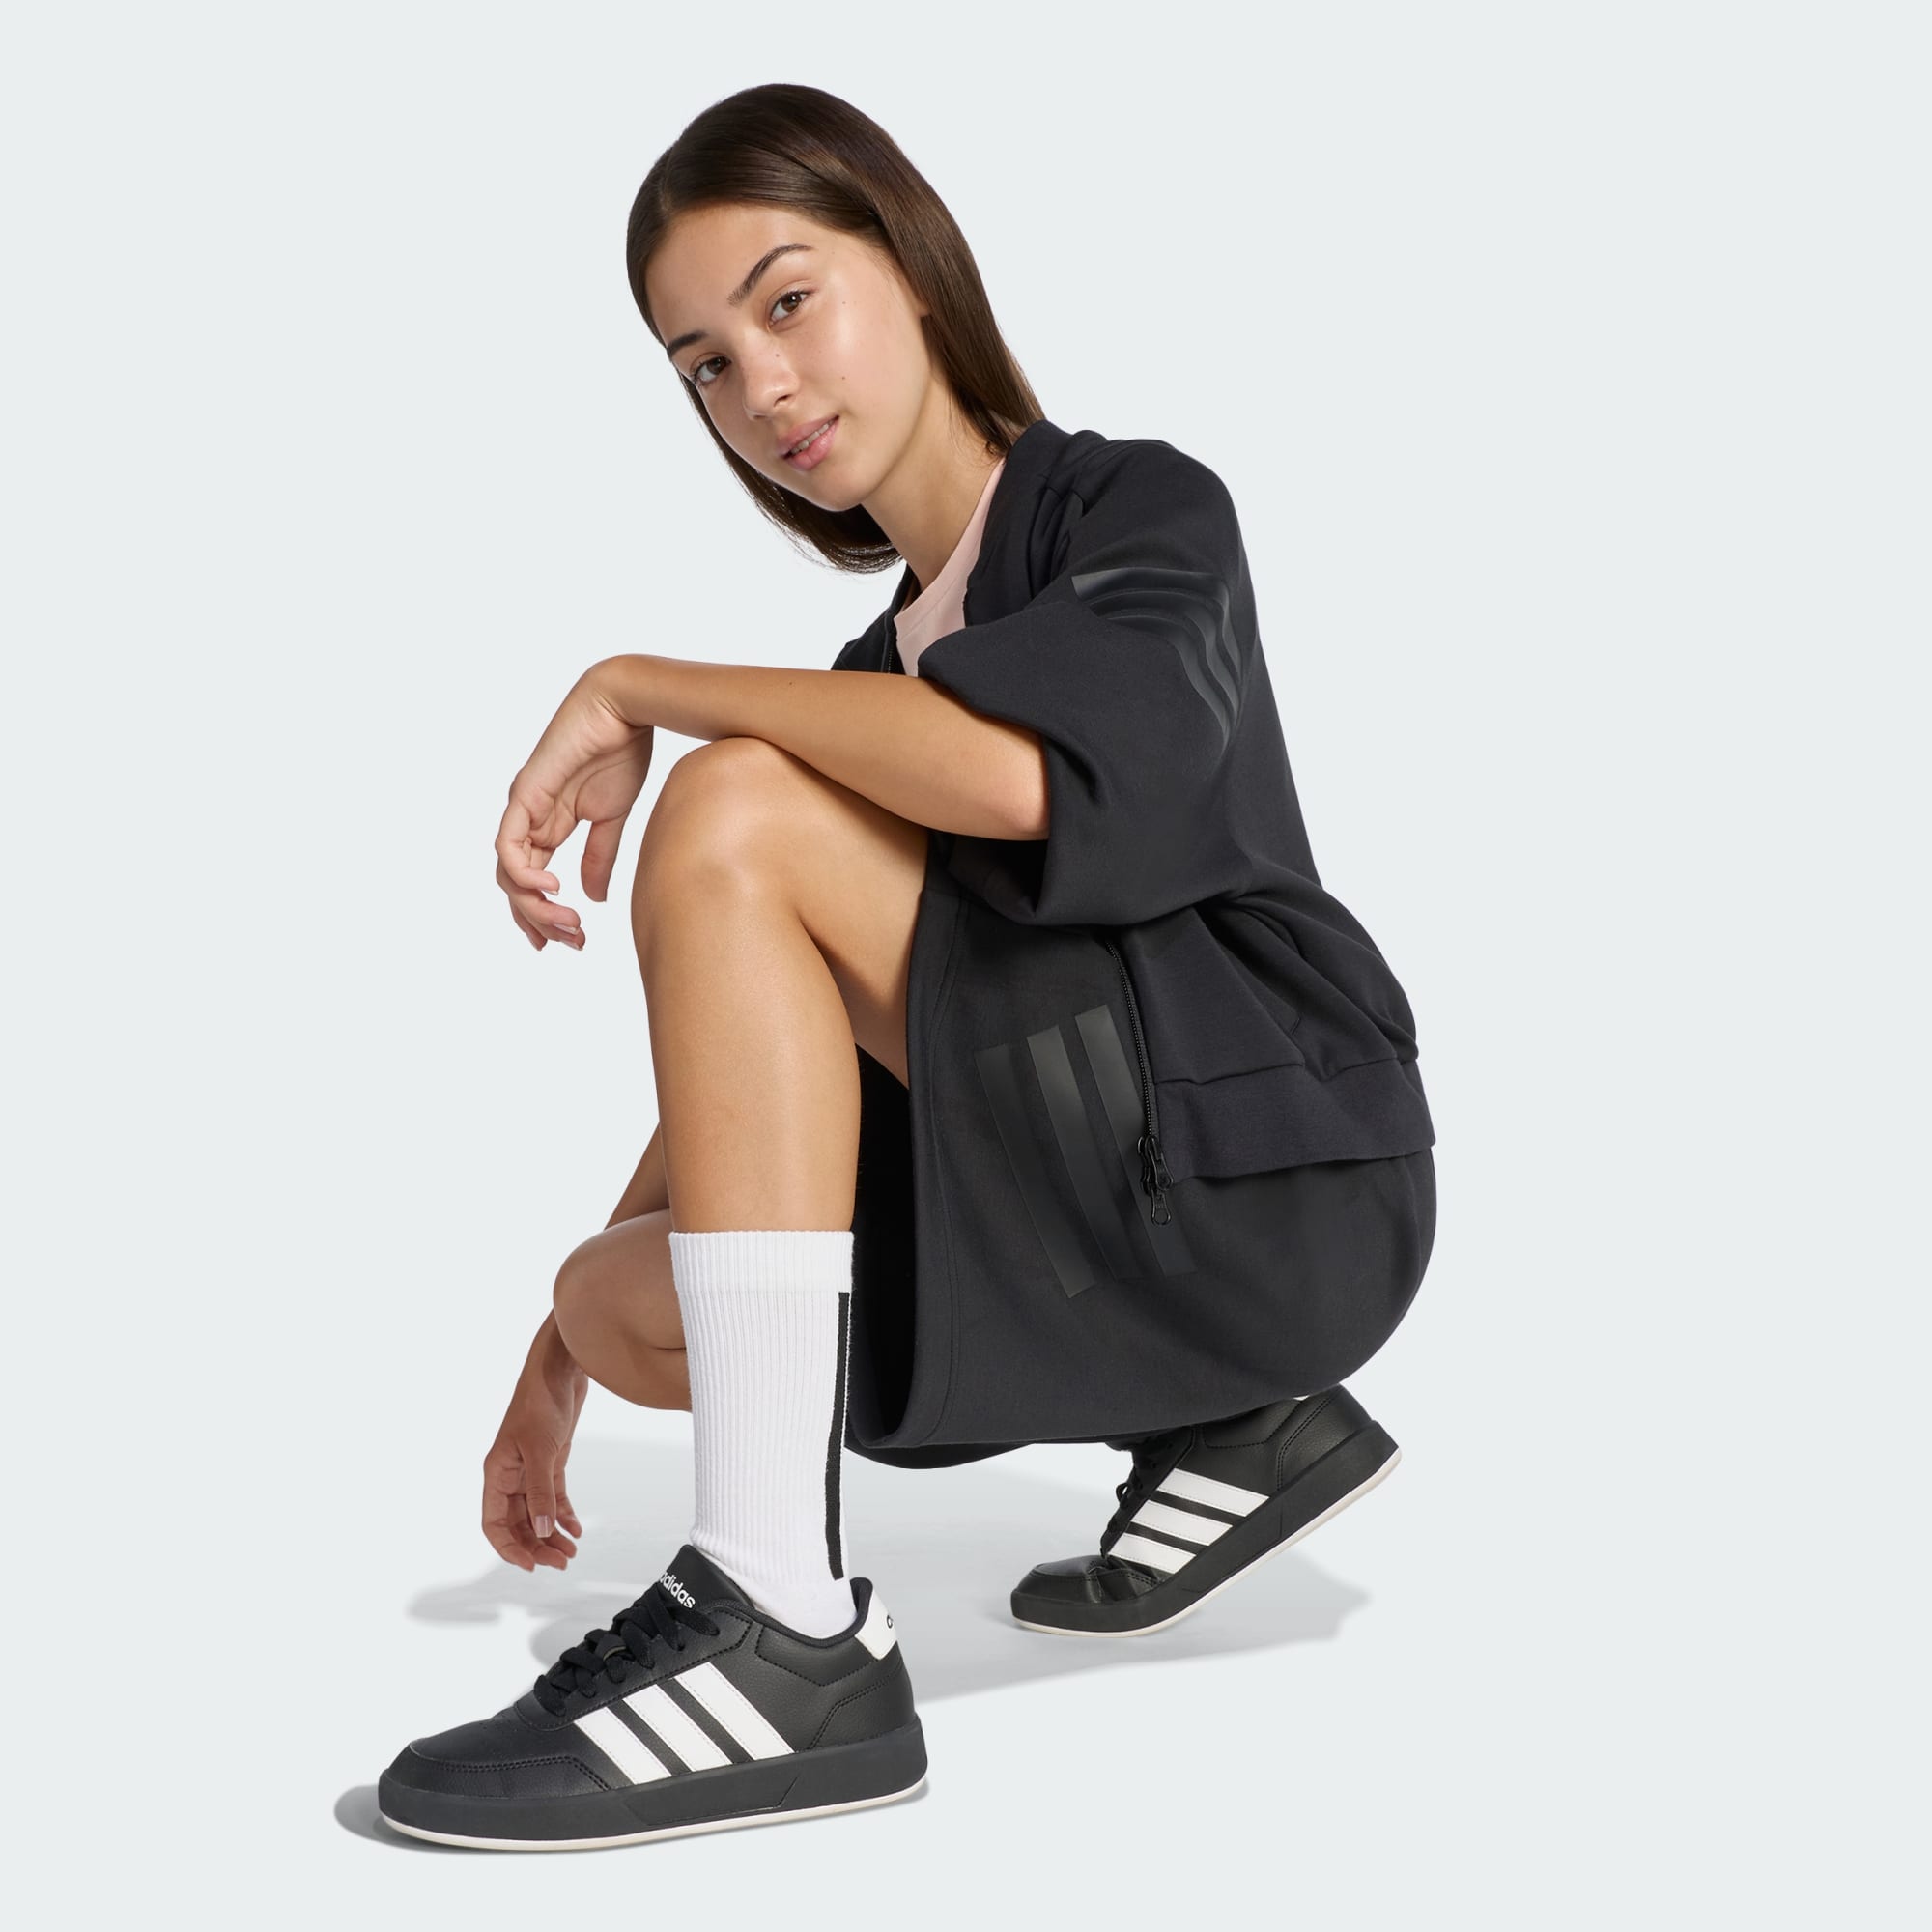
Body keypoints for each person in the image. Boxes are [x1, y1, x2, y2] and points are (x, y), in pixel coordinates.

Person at [376, 81, 1436, 1853]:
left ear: (916, 263)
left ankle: (779, 1619)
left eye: (789, 302)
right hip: (1130, 1206)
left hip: (1287, 1181)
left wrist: (639, 686)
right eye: (706, 366)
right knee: (622, 1300)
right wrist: (549, 1361)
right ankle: (1239, 1423)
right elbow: (766, 1061)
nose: (762, 389)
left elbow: (1027, 780)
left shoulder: (1136, 507)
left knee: (734, 805)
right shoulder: (869, 679)